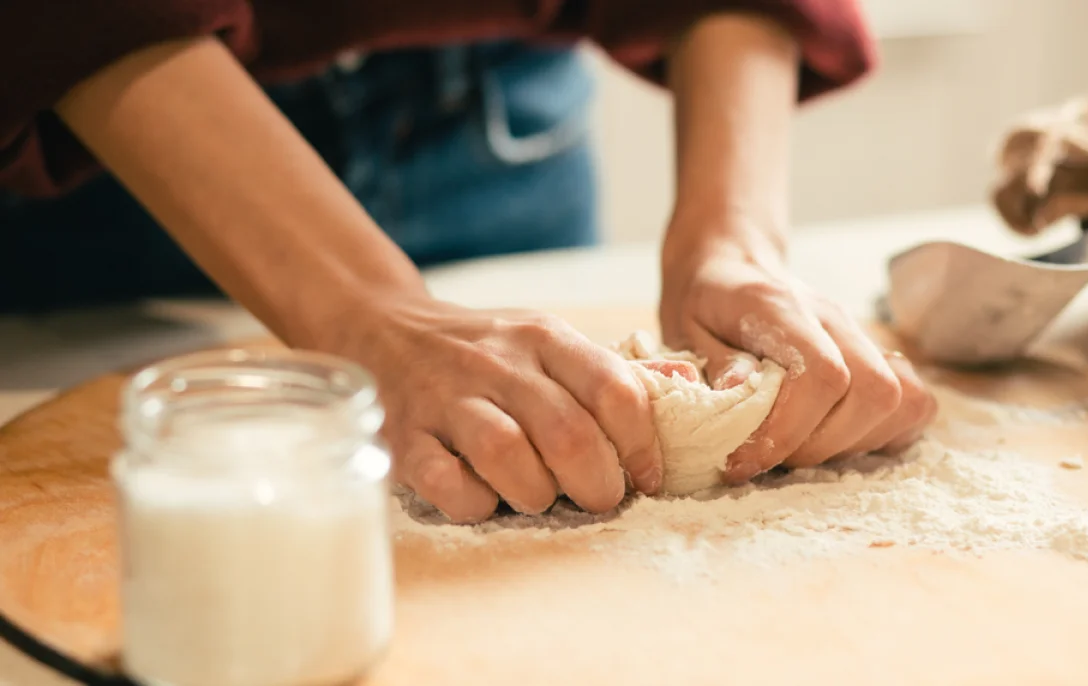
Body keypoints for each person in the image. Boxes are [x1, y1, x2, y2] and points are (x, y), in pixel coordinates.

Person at [0, 2, 937, 522]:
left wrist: (731, 237)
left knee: (544, 439)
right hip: (113, 148)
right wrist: (369, 310)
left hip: (497, 117)